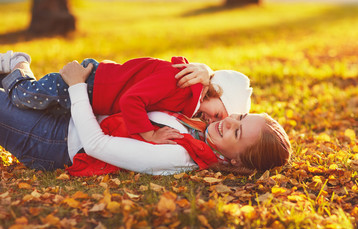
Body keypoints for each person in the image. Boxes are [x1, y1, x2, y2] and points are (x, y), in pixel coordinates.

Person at [0, 60, 291, 176]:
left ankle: (18, 65)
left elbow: (96, 145)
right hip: (73, 111)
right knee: (19, 94)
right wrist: (205, 73)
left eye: (237, 133)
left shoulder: (179, 153)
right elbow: (178, 90)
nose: (229, 122)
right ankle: (16, 68)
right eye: (240, 118)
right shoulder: (203, 128)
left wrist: (77, 85)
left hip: (54, 141)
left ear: (235, 160)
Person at [0, 51, 252, 144]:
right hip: (90, 83)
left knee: (34, 105)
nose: (211, 120)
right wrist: (149, 134)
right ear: (213, 90)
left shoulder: (188, 99)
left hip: (96, 93)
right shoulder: (176, 82)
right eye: (218, 114)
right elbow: (131, 101)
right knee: (25, 95)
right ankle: (17, 63)